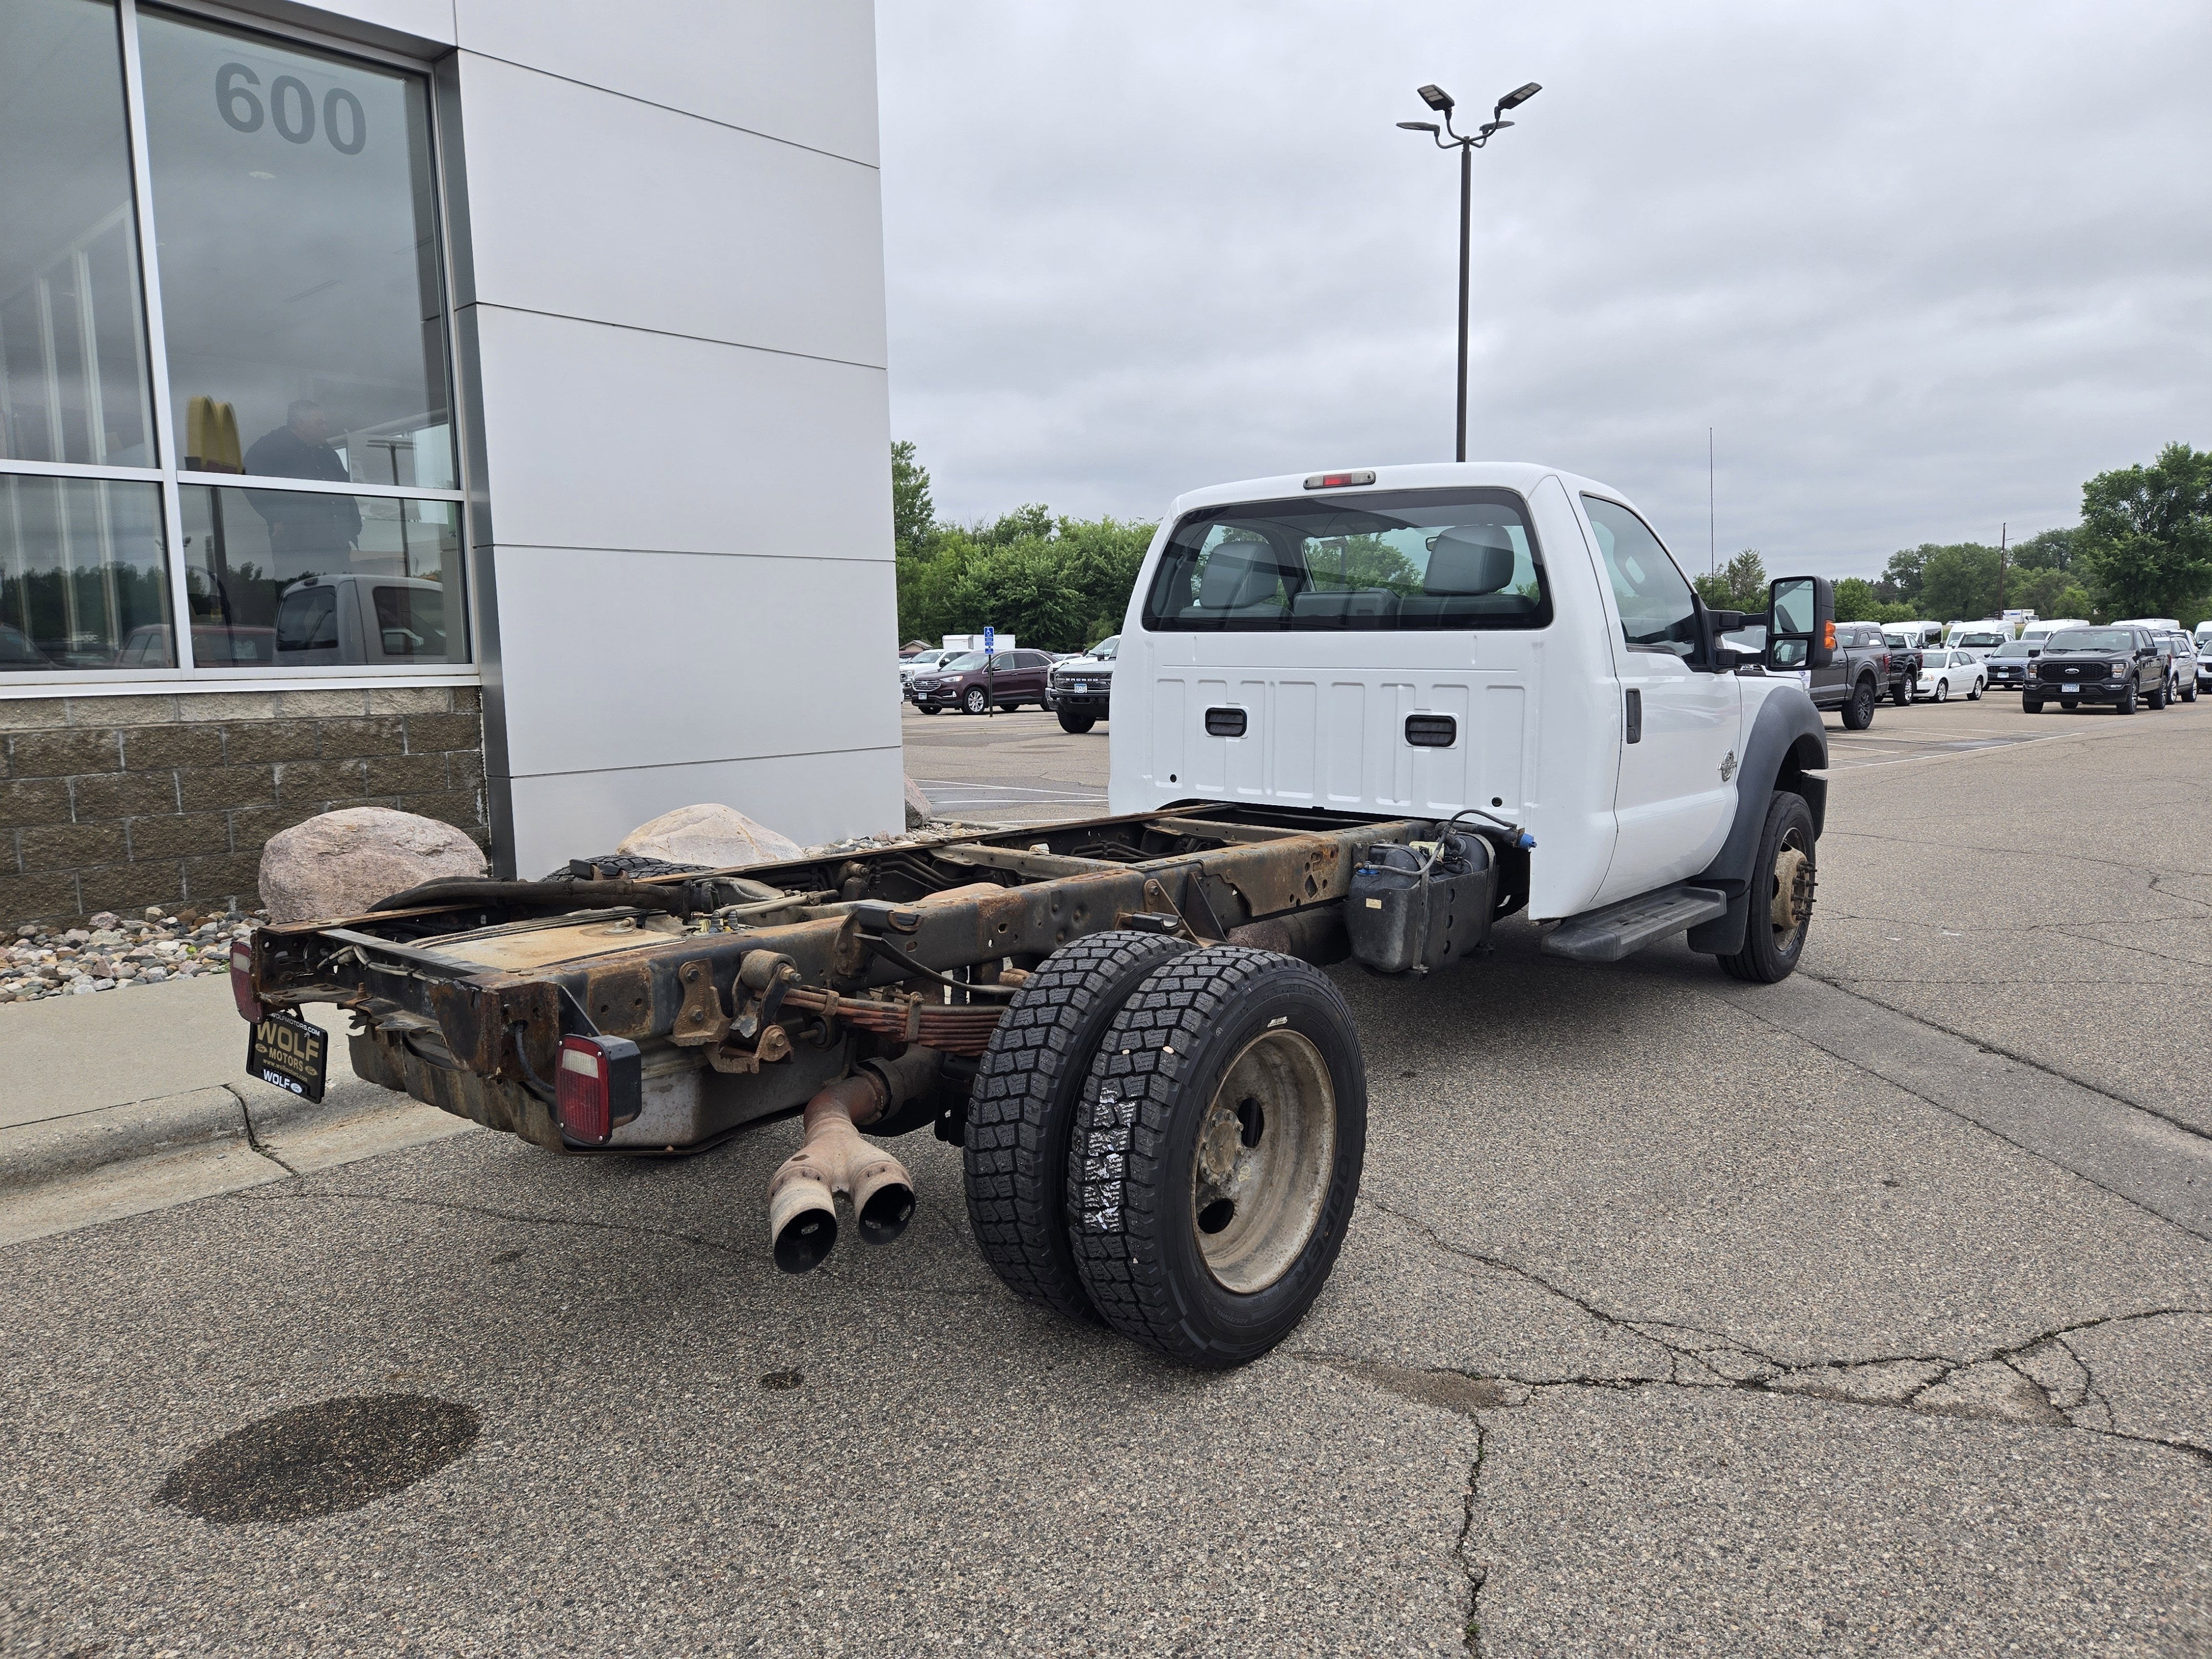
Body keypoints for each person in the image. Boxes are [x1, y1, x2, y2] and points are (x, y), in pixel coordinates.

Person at [243, 400, 361, 562]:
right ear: (301, 424)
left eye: (325, 423)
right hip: (298, 553)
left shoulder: (327, 453)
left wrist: (354, 524)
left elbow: (346, 489)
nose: (325, 428)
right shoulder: (269, 448)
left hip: (338, 548)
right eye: (320, 424)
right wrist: (276, 518)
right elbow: (249, 481)